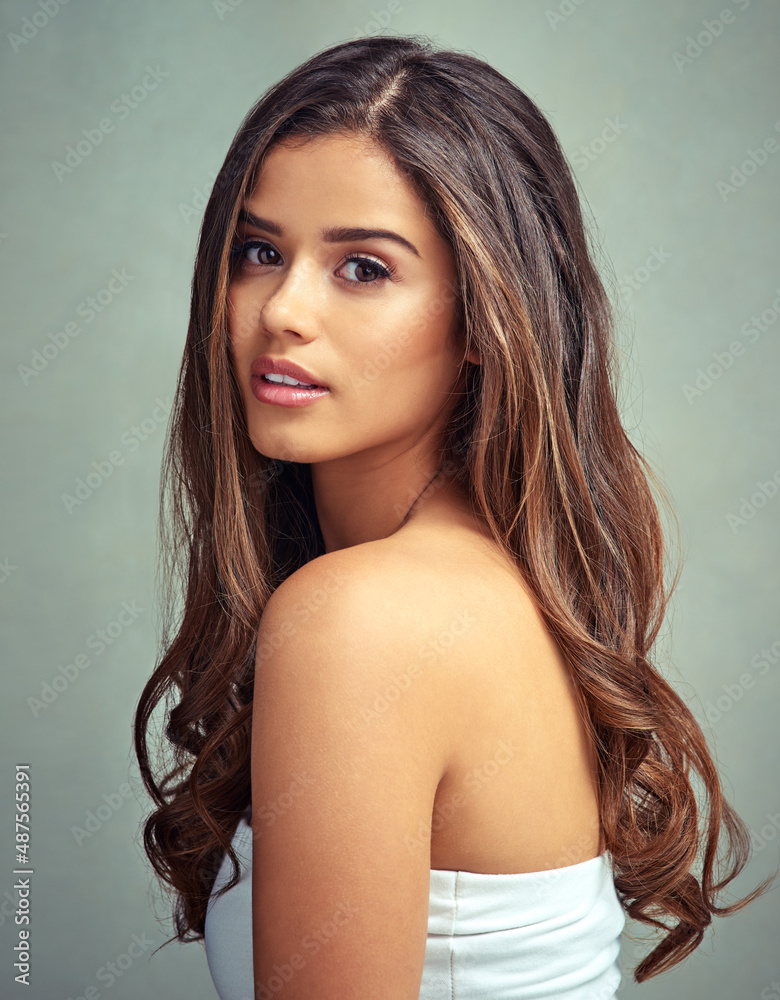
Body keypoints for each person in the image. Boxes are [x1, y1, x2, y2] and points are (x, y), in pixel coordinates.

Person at [133, 34, 775, 1000]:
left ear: (483, 318)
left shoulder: (358, 620)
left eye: (363, 269)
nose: (283, 311)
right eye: (260, 252)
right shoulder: (486, 585)